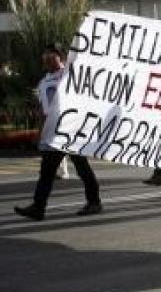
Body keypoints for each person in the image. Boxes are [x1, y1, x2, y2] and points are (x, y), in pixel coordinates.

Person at [14, 44, 102, 221]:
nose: (46, 57)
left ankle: (94, 202)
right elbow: (42, 109)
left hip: (70, 130)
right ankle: (38, 207)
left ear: (60, 57)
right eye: (45, 54)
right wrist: (40, 131)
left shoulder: (69, 74)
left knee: (82, 167)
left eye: (51, 54)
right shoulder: (44, 81)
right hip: (53, 133)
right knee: (47, 172)